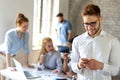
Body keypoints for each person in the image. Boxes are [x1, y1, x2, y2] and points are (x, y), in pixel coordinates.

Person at [71, 3, 120, 80]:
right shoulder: (77, 41)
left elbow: (115, 70)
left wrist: (101, 66)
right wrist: (78, 65)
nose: (90, 27)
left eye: (93, 23)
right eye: (86, 24)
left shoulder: (113, 41)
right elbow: (73, 65)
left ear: (100, 19)